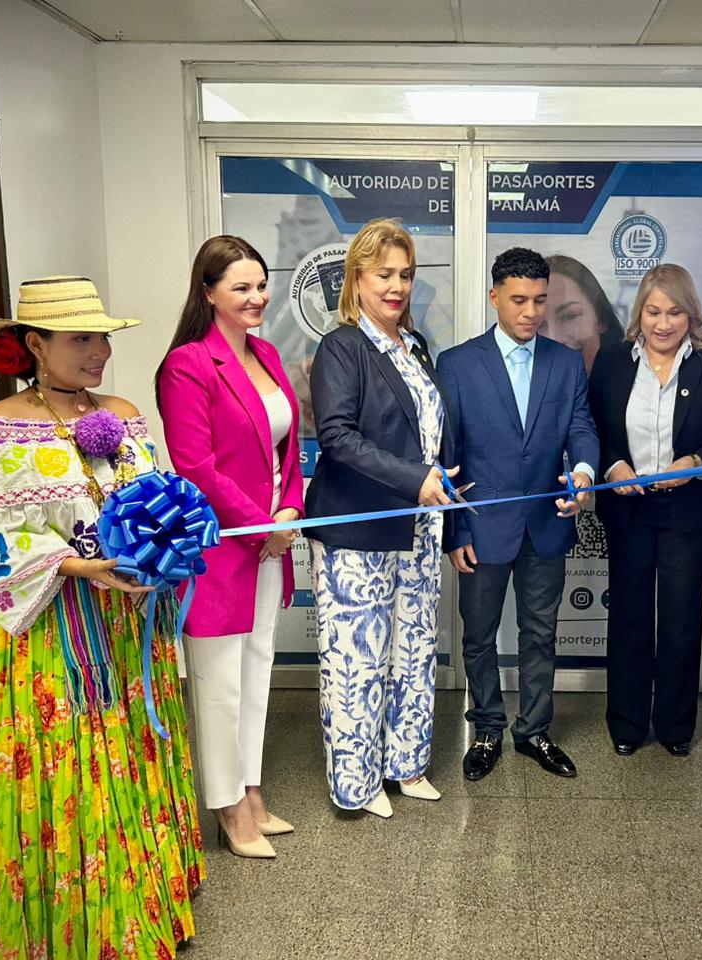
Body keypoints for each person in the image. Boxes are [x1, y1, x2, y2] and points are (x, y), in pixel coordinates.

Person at [0, 277, 203, 959]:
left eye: (103, 336)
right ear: (34, 344)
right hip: (53, 640)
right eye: (81, 338)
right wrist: (72, 565)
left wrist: (162, 554)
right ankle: (75, 928)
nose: (100, 351)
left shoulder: (125, 415)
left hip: (128, 628)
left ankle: (138, 908)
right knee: (72, 767)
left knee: (128, 759)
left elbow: (154, 505)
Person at [156, 236, 305, 858]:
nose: (257, 298)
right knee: (218, 681)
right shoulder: (187, 365)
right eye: (241, 287)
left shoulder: (268, 353)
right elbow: (196, 468)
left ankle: (251, 787)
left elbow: (288, 449)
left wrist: (291, 507)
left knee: (258, 669)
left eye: (261, 284)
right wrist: (260, 523)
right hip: (222, 550)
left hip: (270, 541)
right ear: (209, 292)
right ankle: (227, 806)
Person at [305, 218, 455, 818]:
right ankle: (358, 785)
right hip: (358, 529)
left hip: (418, 527)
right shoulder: (342, 347)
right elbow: (337, 437)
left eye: (406, 274)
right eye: (384, 274)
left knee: (414, 648)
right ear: (357, 279)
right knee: (358, 661)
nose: (397, 286)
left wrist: (437, 477)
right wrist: (413, 478)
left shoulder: (416, 347)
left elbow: (426, 432)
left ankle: (406, 764)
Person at [438, 248, 599, 781]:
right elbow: (449, 454)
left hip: (548, 523)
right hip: (482, 528)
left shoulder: (565, 361)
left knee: (540, 633)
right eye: (518, 300)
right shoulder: (458, 364)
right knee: (479, 635)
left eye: (539, 300)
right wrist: (455, 529)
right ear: (494, 298)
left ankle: (533, 731)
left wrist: (582, 473)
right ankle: (486, 728)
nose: (530, 311)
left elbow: (581, 428)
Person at [588, 264, 702, 757]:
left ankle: (676, 727)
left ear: (691, 313)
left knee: (680, 619)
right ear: (640, 312)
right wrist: (613, 464)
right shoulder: (614, 360)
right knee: (630, 617)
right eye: (654, 311)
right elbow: (593, 427)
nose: (663, 323)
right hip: (629, 509)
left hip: (689, 510)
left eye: (675, 312)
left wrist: (697, 461)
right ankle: (627, 724)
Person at [544, 254, 627, 377]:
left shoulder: (637, 387)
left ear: (601, 318)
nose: (554, 337)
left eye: (569, 316)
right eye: (539, 324)